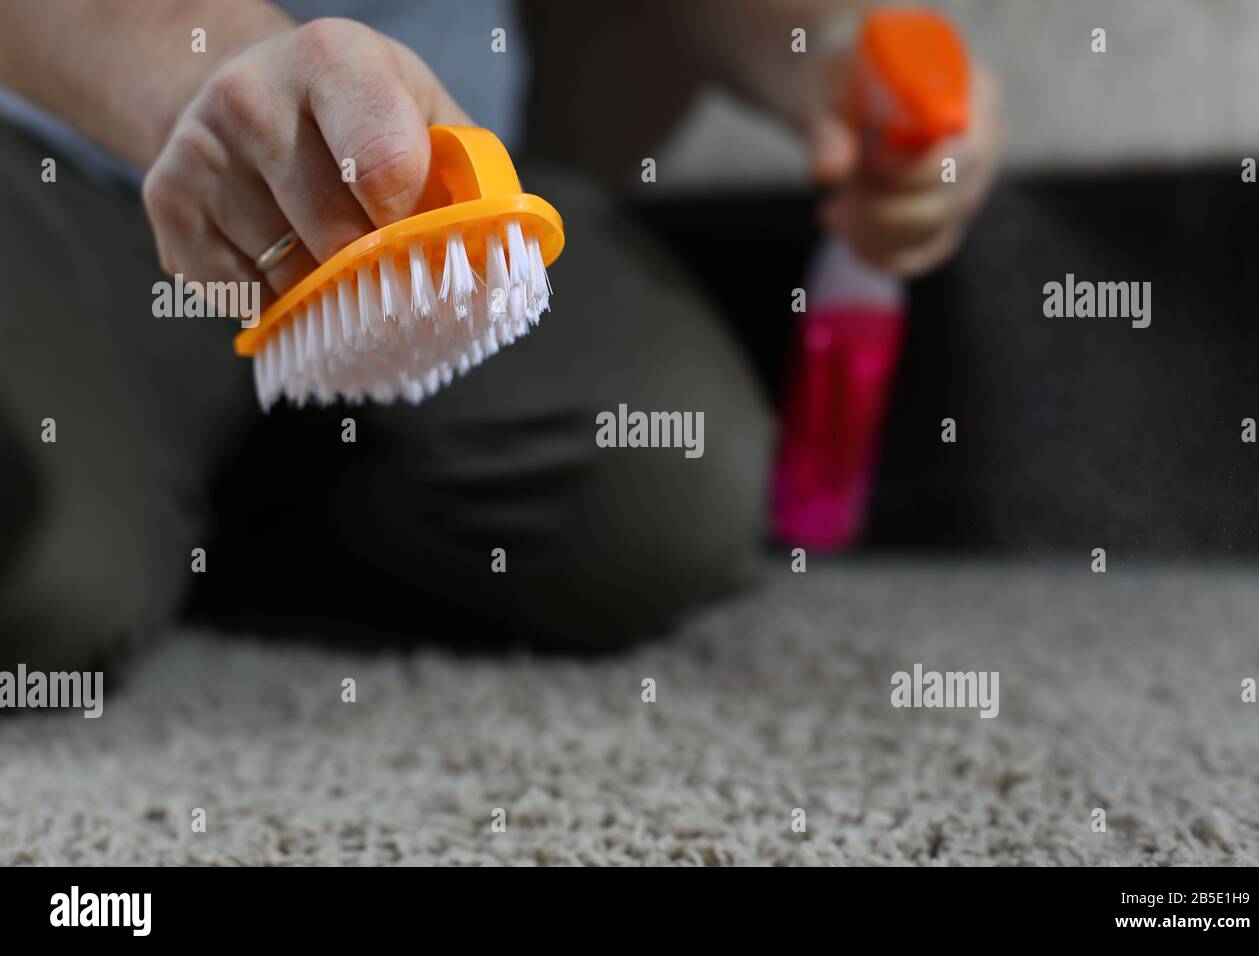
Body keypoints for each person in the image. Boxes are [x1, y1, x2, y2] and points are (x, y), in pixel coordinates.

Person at [0, 1, 1002, 670]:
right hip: (51, 154)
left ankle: (222, 492)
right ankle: (131, 491)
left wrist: (824, 45)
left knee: (657, 496)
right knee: (43, 584)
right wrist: (205, 67)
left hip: (446, 203)